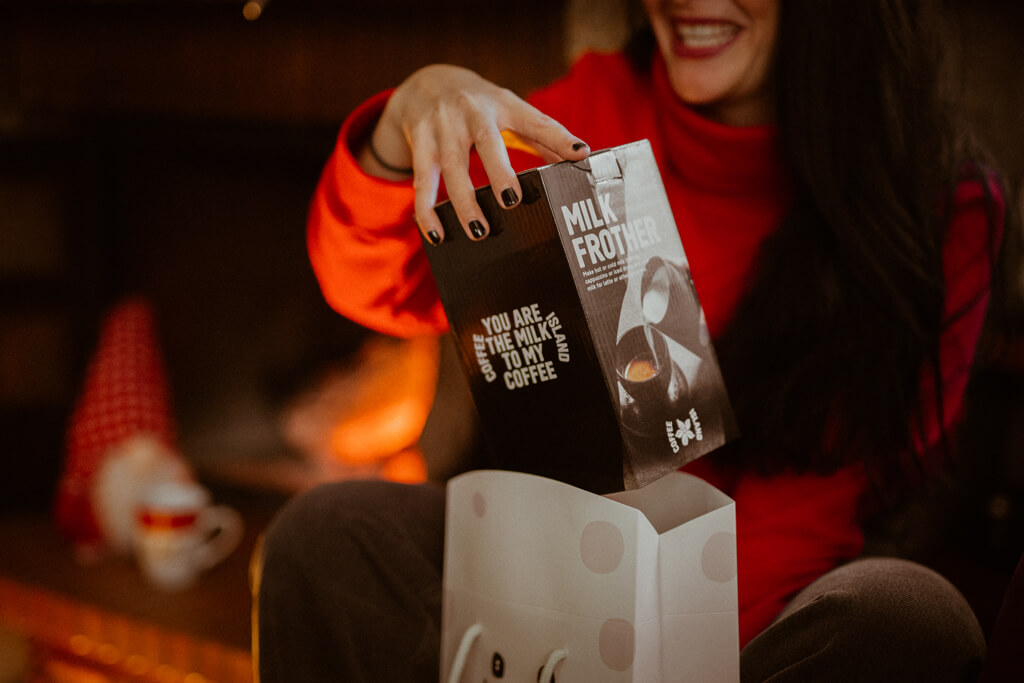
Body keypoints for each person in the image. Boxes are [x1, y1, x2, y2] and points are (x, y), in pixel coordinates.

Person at [257, 0, 1008, 680]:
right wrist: (403, 129)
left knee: (910, 614)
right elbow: (377, 283)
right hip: (544, 589)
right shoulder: (586, 115)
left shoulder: (940, 204)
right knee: (328, 536)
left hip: (764, 628)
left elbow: (823, 510)